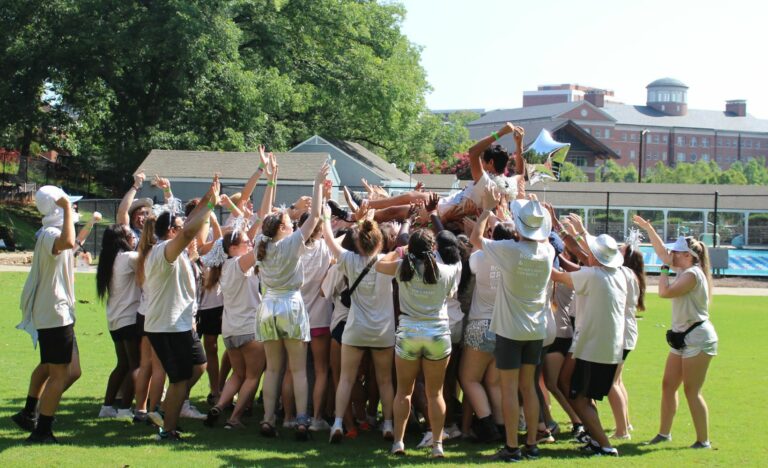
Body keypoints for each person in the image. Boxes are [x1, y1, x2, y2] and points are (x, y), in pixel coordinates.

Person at [469, 195, 554, 462]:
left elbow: (475, 240)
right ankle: (531, 445)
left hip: (509, 330)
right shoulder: (547, 251)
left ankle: (512, 447)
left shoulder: (510, 250)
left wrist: (485, 211)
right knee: (528, 388)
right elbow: (539, 236)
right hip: (535, 330)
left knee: (509, 389)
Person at [255, 162, 330, 440]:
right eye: (287, 221)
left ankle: (267, 419)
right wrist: (317, 184)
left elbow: (264, 215)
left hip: (268, 307)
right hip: (290, 305)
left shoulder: (260, 244)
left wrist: (271, 180)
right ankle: (301, 420)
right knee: (298, 369)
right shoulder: (290, 243)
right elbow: (314, 217)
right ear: (284, 229)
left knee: (273, 369)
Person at [142, 176, 220, 441]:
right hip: (167, 325)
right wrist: (210, 208)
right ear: (170, 232)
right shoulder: (165, 251)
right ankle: (168, 430)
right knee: (178, 379)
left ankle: (167, 411)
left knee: (199, 366)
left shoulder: (177, 252)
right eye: (178, 226)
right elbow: (189, 231)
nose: (185, 228)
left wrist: (209, 199)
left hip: (181, 324)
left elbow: (187, 227)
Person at [375, 229, 461, 458]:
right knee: (436, 393)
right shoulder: (448, 270)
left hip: (409, 333)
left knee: (404, 392)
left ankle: (398, 443)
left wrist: (398, 251)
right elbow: (452, 291)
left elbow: (379, 264)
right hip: (437, 334)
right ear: (433, 248)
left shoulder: (402, 267)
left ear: (410, 249)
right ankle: (437, 445)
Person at [635, 216, 717, 449]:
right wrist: (649, 228)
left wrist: (662, 271)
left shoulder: (692, 274)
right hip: (682, 336)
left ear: (688, 256)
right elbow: (662, 253)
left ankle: (703, 440)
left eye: (678, 252)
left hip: (698, 338)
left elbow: (665, 292)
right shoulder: (685, 268)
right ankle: (664, 433)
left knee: (692, 391)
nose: (673, 255)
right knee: (668, 385)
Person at [550, 231, 631, 457]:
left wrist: (544, 254)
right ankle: (596, 439)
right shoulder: (616, 274)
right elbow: (576, 270)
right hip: (604, 346)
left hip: (593, 347)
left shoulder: (593, 275)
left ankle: (605, 445)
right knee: (571, 387)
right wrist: (557, 252)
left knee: (576, 394)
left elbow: (557, 275)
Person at [321, 206, 396, 444]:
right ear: (379, 241)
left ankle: (338, 424)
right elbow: (407, 244)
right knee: (385, 380)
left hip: (356, 328)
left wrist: (324, 216)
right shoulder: (388, 260)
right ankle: (388, 424)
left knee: (345, 378)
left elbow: (329, 238)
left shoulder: (349, 259)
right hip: (383, 331)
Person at [15, 186, 83, 443]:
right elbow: (66, 242)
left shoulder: (50, 231)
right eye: (69, 204)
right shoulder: (51, 233)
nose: (74, 208)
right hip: (55, 313)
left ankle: (30, 411)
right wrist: (66, 208)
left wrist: (65, 209)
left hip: (58, 312)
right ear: (57, 208)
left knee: (69, 370)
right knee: (60, 373)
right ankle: (42, 428)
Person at [203, 230, 265, 429]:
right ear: (232, 249)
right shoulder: (237, 264)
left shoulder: (224, 267)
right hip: (249, 329)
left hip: (231, 330)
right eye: (245, 242)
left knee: (238, 375)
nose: (250, 243)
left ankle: (220, 405)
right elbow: (260, 248)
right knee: (252, 376)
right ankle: (235, 418)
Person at [460, 223, 514, 443]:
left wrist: (484, 216)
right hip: (505, 329)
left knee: (468, 379)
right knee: (493, 383)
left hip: (480, 326)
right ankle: (502, 428)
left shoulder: (481, 257)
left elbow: (474, 244)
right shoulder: (516, 261)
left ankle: (488, 425)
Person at [95, 224, 142, 420]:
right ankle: (124, 409)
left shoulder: (109, 259)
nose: (134, 237)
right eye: (131, 235)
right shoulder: (129, 258)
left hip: (115, 320)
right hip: (129, 318)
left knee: (122, 364)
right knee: (135, 365)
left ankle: (107, 406)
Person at [298, 211, 334, 432]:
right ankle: (317, 417)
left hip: (298, 318)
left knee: (296, 371)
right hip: (319, 317)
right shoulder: (325, 248)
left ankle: (290, 415)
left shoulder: (293, 249)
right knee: (321, 370)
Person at [607, 240, 646, 439]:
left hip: (621, 333)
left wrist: (577, 234)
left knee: (610, 383)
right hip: (627, 333)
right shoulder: (631, 275)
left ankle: (621, 430)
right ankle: (626, 423)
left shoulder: (623, 273)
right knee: (618, 381)